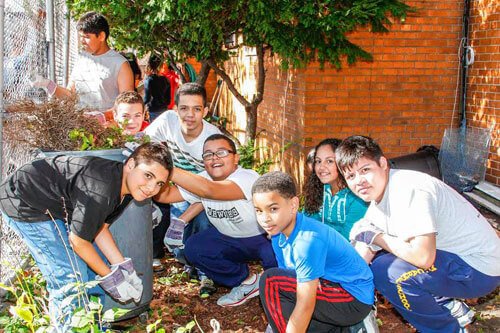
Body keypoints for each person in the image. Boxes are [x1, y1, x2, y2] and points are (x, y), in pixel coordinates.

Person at [335, 135, 500, 333]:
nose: (359, 181)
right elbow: (362, 256)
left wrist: (377, 238)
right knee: (383, 261)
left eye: (365, 170)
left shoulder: (408, 189)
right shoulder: (378, 202)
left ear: (382, 163)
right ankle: (448, 306)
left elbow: (423, 258)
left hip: (478, 268)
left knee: (388, 271)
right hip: (456, 261)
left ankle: (446, 329)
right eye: (350, 176)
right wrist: (334, 285)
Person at [0, 142, 172, 330]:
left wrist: (123, 267)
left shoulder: (128, 187)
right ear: (130, 164)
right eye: (148, 175)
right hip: (25, 201)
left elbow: (100, 228)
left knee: (93, 272)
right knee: (70, 277)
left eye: (159, 184)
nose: (151, 188)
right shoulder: (102, 190)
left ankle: (93, 326)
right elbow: (79, 242)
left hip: (55, 204)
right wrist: (112, 279)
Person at [155, 134, 277, 303]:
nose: (215, 158)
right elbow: (166, 195)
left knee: (278, 275)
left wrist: (166, 167)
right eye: (208, 155)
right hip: (228, 239)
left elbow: (210, 190)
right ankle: (247, 281)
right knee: (194, 248)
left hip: (263, 238)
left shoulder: (247, 177)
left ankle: (273, 289)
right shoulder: (203, 178)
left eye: (222, 152)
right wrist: (151, 174)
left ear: (236, 158)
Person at [252, 171, 376, 333]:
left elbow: (305, 302)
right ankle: (343, 330)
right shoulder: (278, 232)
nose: (265, 218)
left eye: (273, 209)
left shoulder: (308, 241)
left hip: (352, 299)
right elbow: (292, 284)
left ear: (293, 205)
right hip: (326, 290)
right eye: (259, 211)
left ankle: (357, 324)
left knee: (271, 281)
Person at [145, 82, 220, 274]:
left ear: (205, 111)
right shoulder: (168, 120)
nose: (190, 115)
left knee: (202, 225)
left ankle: (206, 272)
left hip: (207, 194)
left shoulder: (212, 139)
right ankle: (188, 260)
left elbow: (213, 189)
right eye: (184, 108)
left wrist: (183, 220)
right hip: (180, 190)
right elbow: (144, 145)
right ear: (175, 109)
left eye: (197, 109)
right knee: (179, 250)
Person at [33, 11, 134, 111]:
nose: (82, 41)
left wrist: (102, 116)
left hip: (107, 125)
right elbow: (70, 96)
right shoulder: (81, 59)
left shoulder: (120, 64)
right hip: (81, 125)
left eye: (86, 37)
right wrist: (47, 84)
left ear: (102, 36)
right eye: (81, 37)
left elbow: (126, 105)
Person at [303, 138, 368, 240]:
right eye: (318, 161)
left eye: (329, 161)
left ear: (341, 162)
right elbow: (307, 223)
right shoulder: (316, 189)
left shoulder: (357, 196)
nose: (321, 167)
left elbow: (348, 238)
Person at [143, 54, 171, 122]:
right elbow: (168, 100)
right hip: (164, 110)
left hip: (153, 110)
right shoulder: (166, 79)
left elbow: (147, 99)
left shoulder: (148, 80)